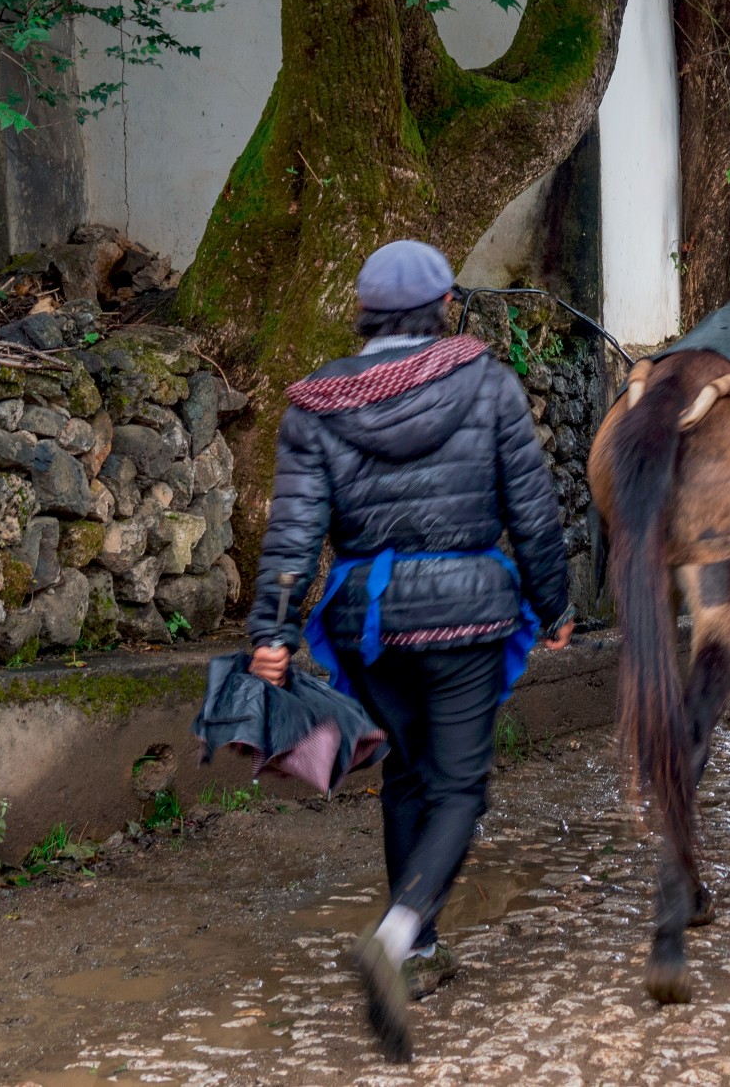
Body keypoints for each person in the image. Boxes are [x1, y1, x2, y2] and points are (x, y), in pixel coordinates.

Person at [245, 239, 573, 1063]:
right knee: (460, 785)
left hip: (369, 624)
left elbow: (292, 537)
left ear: (365, 312)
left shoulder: (317, 403)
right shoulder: (490, 385)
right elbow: (531, 512)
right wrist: (556, 603)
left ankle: (422, 948)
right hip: (468, 618)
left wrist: (273, 637)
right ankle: (395, 938)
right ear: (441, 306)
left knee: (405, 772)